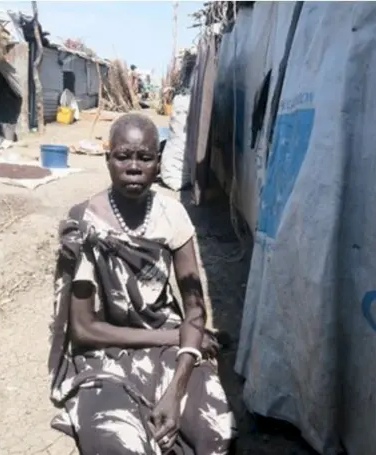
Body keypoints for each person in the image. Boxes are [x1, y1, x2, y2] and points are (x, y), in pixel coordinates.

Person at [49, 113, 237, 455]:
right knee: (118, 447)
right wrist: (171, 335)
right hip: (105, 354)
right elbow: (84, 330)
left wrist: (176, 388)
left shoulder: (172, 215)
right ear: (107, 160)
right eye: (123, 156)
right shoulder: (86, 223)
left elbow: (195, 308)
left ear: (158, 163)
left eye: (145, 157)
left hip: (171, 350)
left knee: (217, 435)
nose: (134, 167)